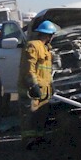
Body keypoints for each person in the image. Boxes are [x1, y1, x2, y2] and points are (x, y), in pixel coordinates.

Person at [18, 20, 57, 149]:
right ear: (48, 35)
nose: (52, 38)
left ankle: (39, 138)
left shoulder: (46, 49)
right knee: (30, 116)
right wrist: (33, 85)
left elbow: (46, 72)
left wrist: (50, 86)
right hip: (31, 90)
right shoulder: (33, 46)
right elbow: (28, 69)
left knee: (41, 115)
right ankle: (29, 141)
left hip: (44, 90)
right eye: (51, 35)